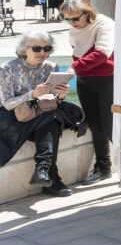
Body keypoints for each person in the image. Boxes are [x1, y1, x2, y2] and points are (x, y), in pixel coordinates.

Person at [0, 31, 85, 197]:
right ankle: (50, 175)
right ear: (24, 50)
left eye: (47, 48)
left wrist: (60, 95)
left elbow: (52, 101)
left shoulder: (51, 67)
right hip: (13, 116)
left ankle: (43, 170)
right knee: (52, 118)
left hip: (42, 111)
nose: (42, 53)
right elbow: (8, 103)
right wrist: (31, 94)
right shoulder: (6, 69)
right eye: (37, 48)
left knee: (52, 116)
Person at [61, 0, 121, 185]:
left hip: (107, 79)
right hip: (85, 80)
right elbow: (79, 50)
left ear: (87, 13)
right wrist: (78, 69)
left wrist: (75, 67)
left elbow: (101, 54)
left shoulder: (105, 24)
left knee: (111, 125)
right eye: (66, 19)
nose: (71, 23)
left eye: (74, 19)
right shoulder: (75, 28)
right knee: (95, 124)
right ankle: (103, 166)